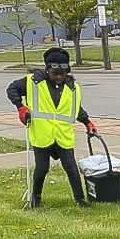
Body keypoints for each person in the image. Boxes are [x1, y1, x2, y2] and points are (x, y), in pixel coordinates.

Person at [6, 47, 97, 208]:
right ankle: (36, 198)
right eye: (55, 73)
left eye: (63, 73)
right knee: (42, 168)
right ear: (47, 69)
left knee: (71, 168)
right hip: (42, 134)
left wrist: (88, 122)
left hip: (63, 135)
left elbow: (76, 109)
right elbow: (12, 89)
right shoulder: (33, 81)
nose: (59, 77)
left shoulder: (73, 88)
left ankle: (80, 199)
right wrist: (20, 107)